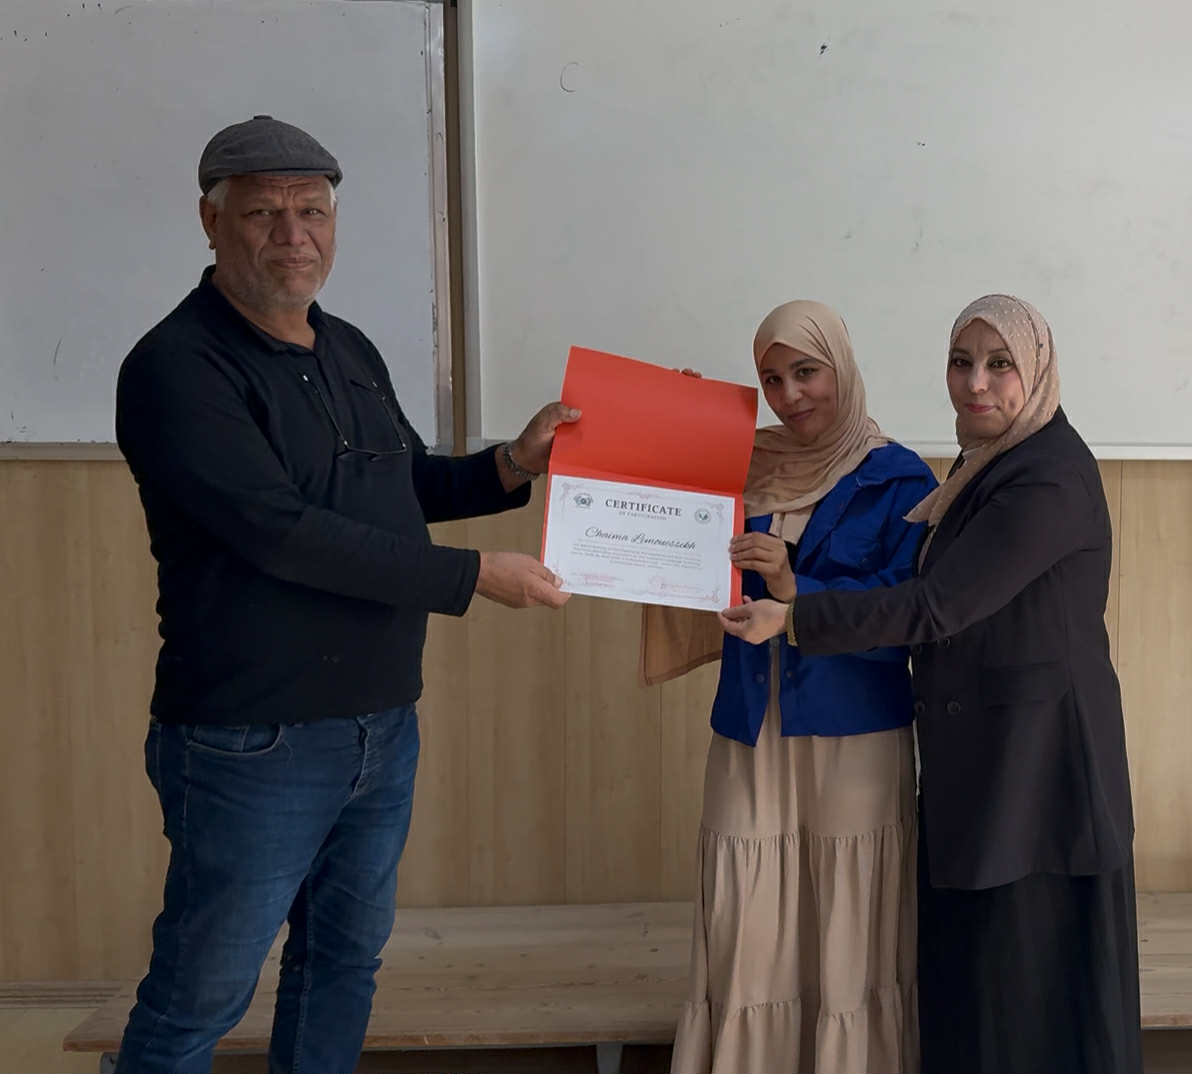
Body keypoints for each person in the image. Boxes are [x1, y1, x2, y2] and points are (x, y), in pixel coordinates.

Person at [113, 115, 575, 1074]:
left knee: (341, 967)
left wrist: (512, 463)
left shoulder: (348, 346)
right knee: (201, 996)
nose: (295, 235)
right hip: (252, 739)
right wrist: (473, 577)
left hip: (380, 724)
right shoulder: (176, 368)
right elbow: (280, 532)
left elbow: (397, 486)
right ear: (211, 220)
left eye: (314, 211)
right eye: (264, 213)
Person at [720, 294, 1143, 1073]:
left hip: (1040, 772)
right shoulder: (992, 460)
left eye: (999, 364)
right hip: (991, 764)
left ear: (1037, 368)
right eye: (961, 362)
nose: (975, 382)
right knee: (985, 986)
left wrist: (796, 615)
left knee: (1033, 991)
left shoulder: (1046, 476)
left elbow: (937, 604)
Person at [644, 300, 935, 1074]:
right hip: (754, 721)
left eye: (806, 372)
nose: (789, 395)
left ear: (842, 367)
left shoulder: (899, 477)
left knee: (849, 916)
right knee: (750, 909)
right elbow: (663, 533)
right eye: (771, 379)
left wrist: (793, 584)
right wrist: (673, 425)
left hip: (853, 727)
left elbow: (905, 609)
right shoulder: (740, 466)